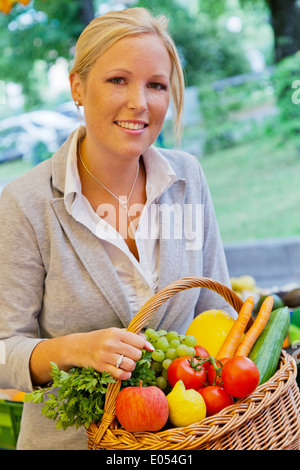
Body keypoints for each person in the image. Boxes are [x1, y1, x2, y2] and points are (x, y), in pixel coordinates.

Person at [0, 7, 235, 450]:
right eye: (118, 80)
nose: (140, 102)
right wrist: (73, 350)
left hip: (186, 443)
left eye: (156, 85)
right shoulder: (25, 204)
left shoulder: (186, 179)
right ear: (77, 87)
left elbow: (216, 310)